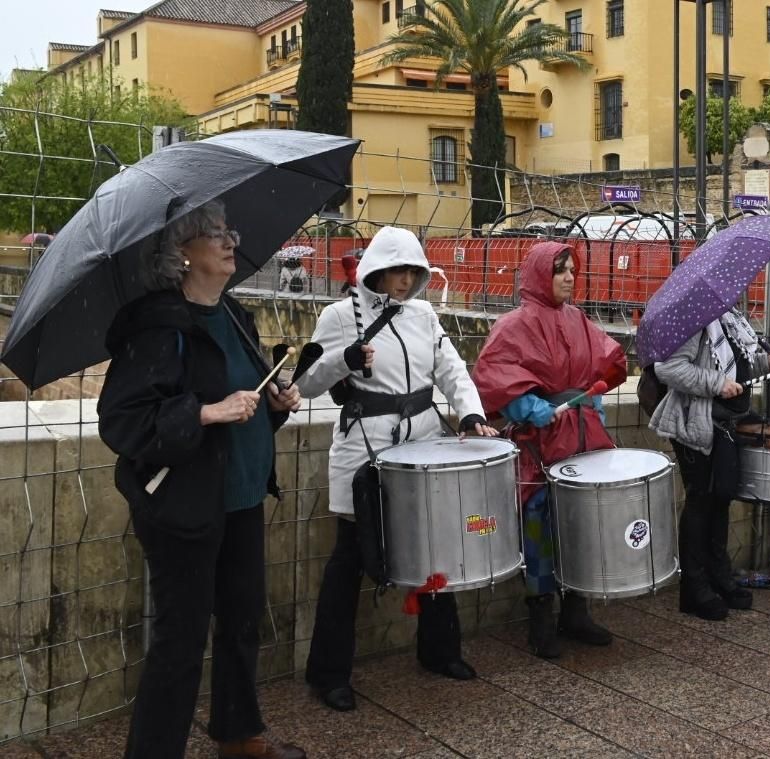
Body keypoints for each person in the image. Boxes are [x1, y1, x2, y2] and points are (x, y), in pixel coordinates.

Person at [97, 201, 306, 759]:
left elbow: (246, 402)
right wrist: (205, 412)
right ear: (180, 253)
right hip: (184, 506)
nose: (229, 239)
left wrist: (274, 404)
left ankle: (237, 735)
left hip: (241, 496)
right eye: (213, 233)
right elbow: (121, 421)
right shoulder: (158, 327)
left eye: (228, 230)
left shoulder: (234, 314)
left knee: (241, 621)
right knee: (181, 641)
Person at [296, 227, 497, 712]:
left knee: (434, 547)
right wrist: (343, 361)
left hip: (424, 441)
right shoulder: (339, 316)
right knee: (349, 559)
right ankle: (328, 673)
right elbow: (305, 382)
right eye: (397, 271)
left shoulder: (424, 315)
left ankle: (440, 650)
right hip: (364, 446)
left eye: (412, 271)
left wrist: (470, 413)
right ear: (376, 270)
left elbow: (451, 369)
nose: (405, 280)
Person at [472, 242, 627, 657]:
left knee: (582, 525)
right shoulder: (513, 325)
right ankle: (540, 618)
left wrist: (593, 405)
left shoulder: (578, 319)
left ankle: (576, 610)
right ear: (541, 274)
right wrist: (531, 408)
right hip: (540, 447)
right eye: (560, 270)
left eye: (572, 270)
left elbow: (597, 369)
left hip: (582, 439)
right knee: (539, 529)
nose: (569, 278)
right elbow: (494, 378)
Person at [650, 305, 770, 619]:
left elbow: (736, 368)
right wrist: (716, 383)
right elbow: (668, 369)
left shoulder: (729, 319)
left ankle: (719, 576)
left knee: (721, 499)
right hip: (698, 425)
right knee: (700, 501)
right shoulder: (694, 318)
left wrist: (765, 362)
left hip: (727, 424)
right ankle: (694, 588)